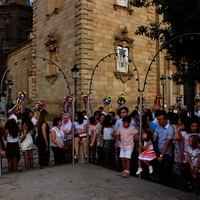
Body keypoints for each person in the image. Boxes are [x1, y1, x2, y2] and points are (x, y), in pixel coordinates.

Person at [153, 110, 175, 183]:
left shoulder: (170, 129)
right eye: (158, 119)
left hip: (167, 153)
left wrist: (162, 155)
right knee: (160, 168)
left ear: (165, 120)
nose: (158, 121)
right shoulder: (158, 128)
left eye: (160, 120)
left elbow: (167, 144)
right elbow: (154, 139)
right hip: (158, 150)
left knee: (166, 170)